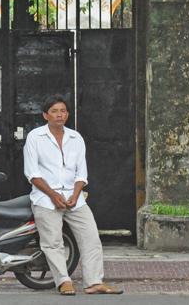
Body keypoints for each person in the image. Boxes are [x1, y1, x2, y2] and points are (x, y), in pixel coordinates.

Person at [23, 95, 123, 296]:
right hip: (45, 198)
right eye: (54, 111)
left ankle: (94, 282)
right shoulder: (35, 137)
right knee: (53, 242)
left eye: (62, 111)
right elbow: (32, 174)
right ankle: (63, 281)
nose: (59, 115)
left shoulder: (76, 138)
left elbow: (81, 174)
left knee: (91, 238)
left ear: (67, 114)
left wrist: (75, 195)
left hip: (74, 198)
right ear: (45, 115)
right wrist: (53, 195)